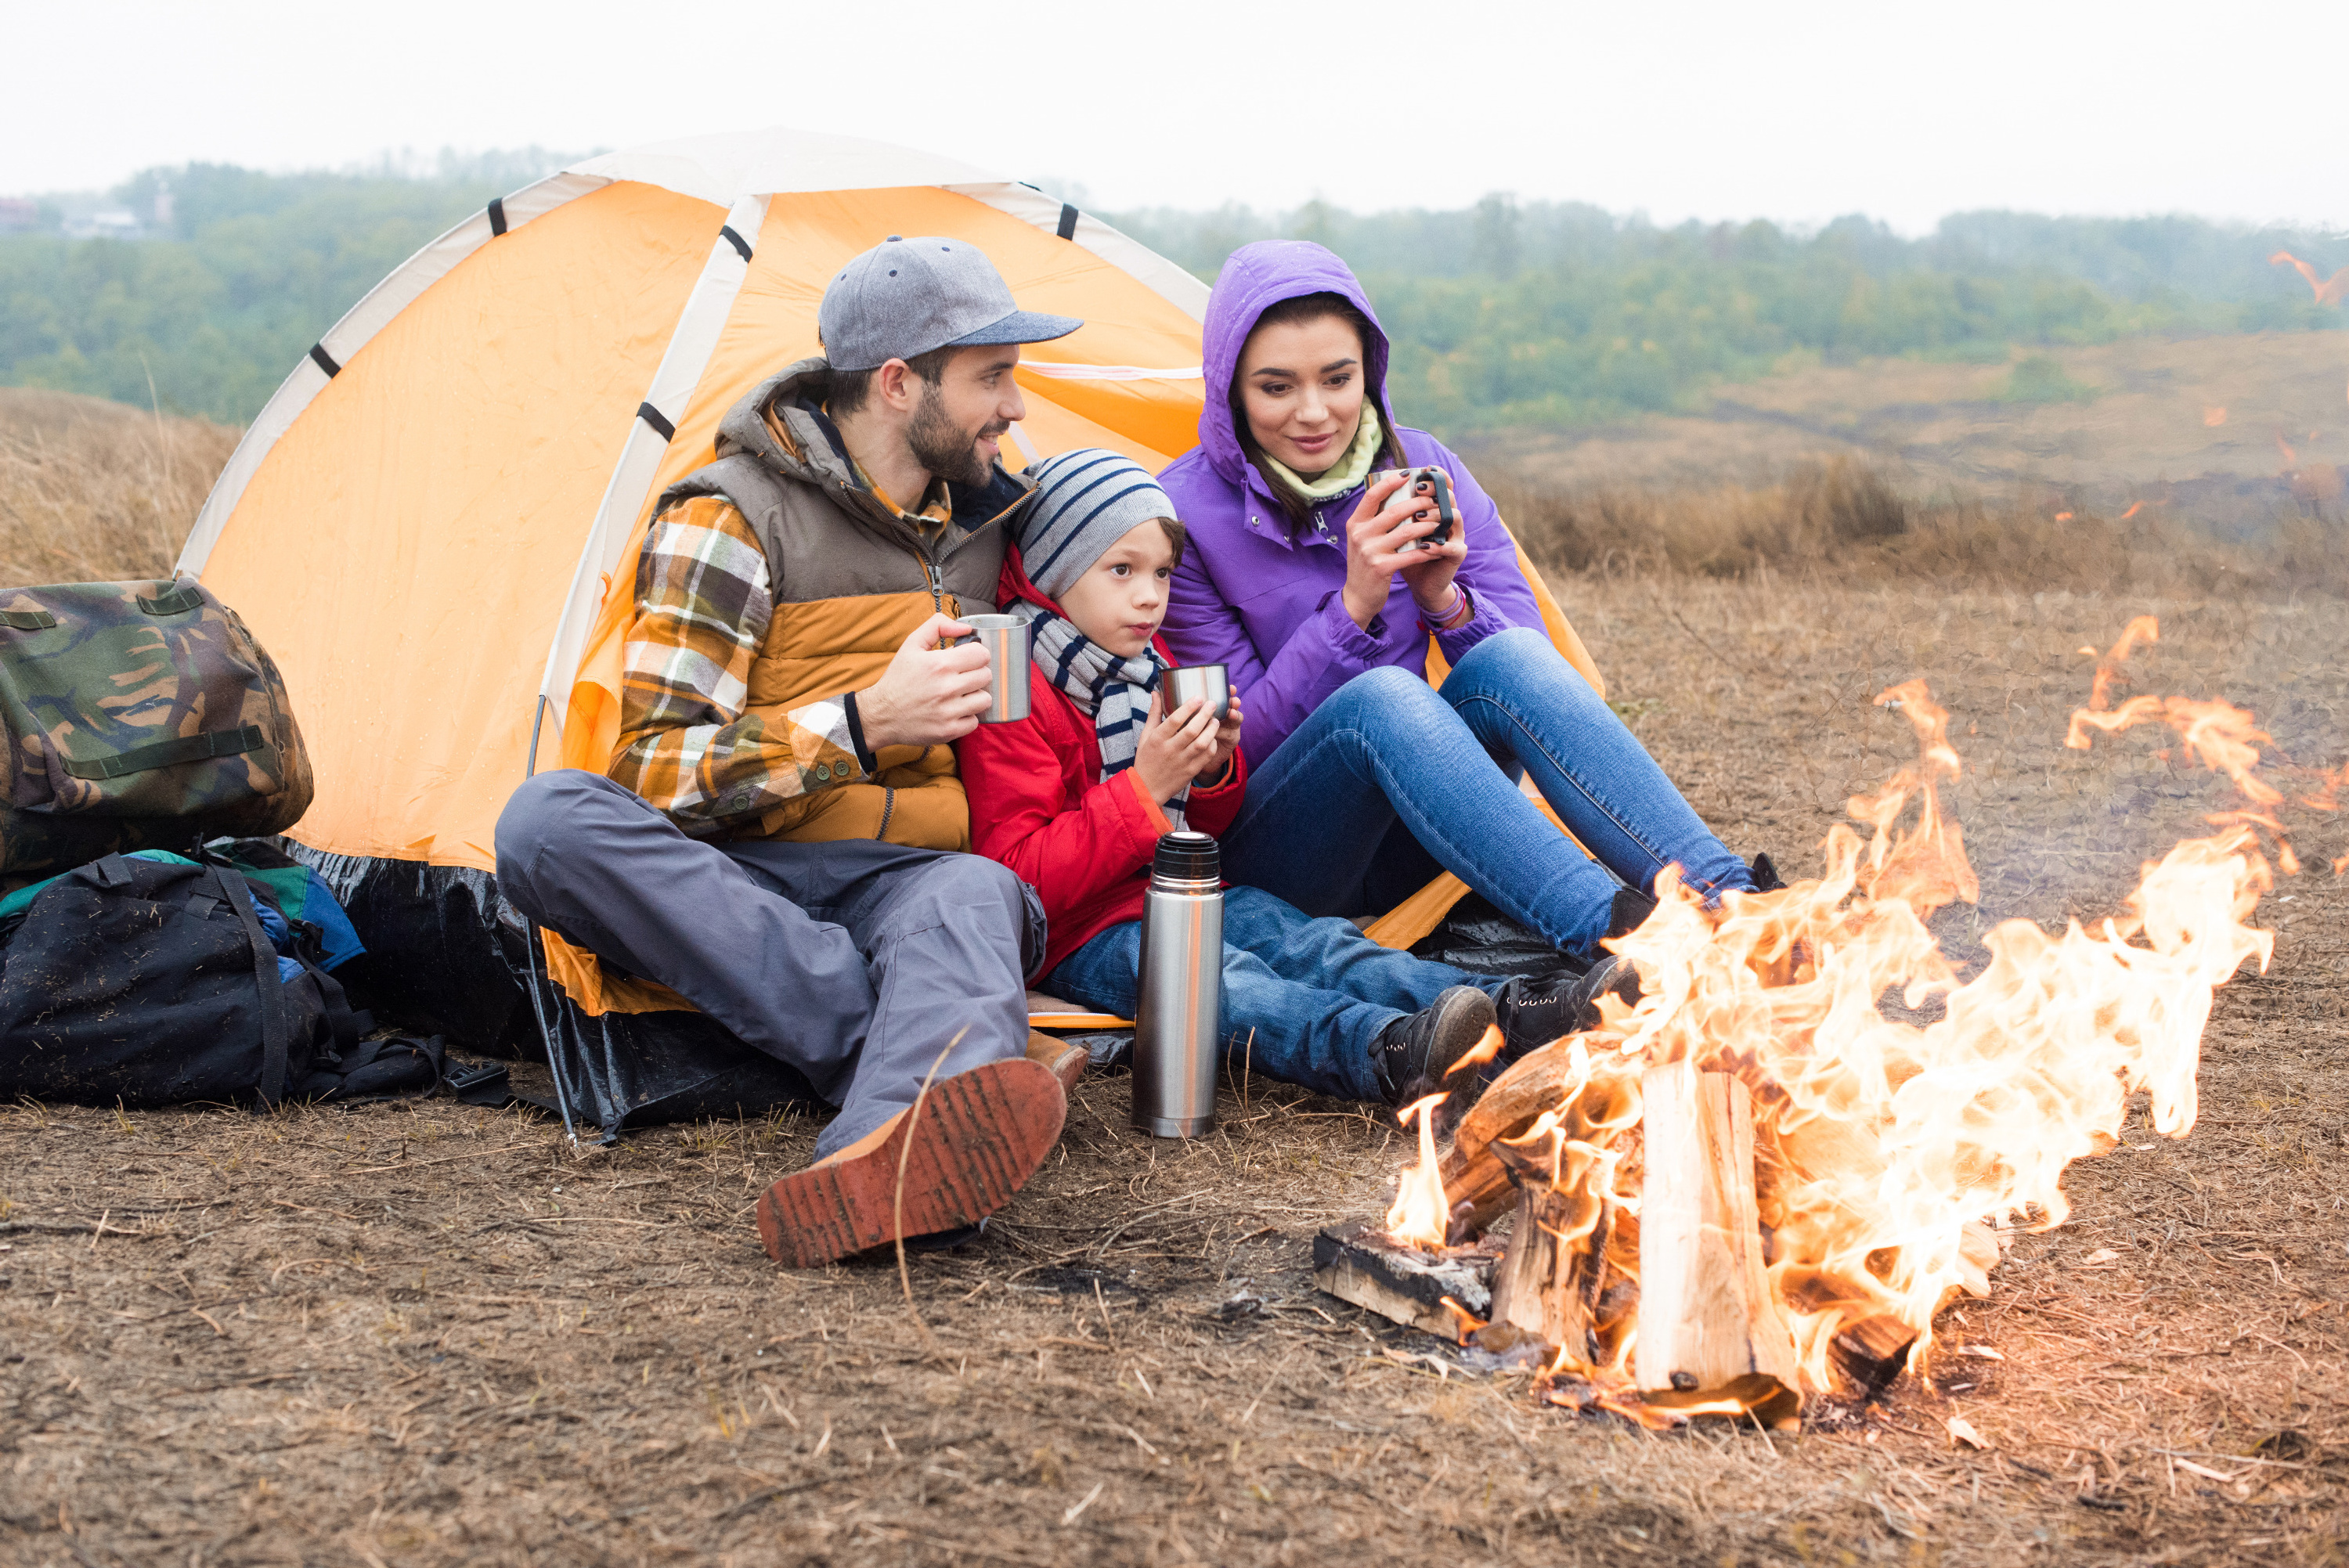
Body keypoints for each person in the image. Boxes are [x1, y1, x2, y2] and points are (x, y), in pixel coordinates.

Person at [496, 236, 1085, 1268]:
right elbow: (654, 773)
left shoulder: (1002, 519)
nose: (1016, 406)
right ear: (899, 384)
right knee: (547, 822)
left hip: (913, 882)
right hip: (745, 870)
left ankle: (880, 1159)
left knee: (974, 896)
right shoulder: (733, 514)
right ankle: (944, 1050)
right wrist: (862, 724)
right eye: (992, 377)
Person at [1156, 241, 1772, 976]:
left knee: (1502, 658)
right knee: (1381, 697)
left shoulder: (1425, 469)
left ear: (1369, 374)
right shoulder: (1181, 514)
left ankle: (1740, 913)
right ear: (1231, 391)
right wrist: (1350, 611)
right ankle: (1628, 948)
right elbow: (1227, 753)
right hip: (1285, 849)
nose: (1314, 412)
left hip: (1435, 830)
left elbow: (1535, 674)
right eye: (1276, 387)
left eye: (1338, 378)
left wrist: (1445, 602)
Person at [955, 450, 1636, 1112]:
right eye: (1122, 570)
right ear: (1051, 569)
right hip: (1084, 933)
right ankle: (1387, 1050)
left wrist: (1214, 769)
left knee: (1321, 948)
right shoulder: (1015, 693)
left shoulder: (1144, 665)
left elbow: (1205, 827)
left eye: (1162, 573)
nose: (1149, 596)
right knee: (1236, 986)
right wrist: (1145, 786)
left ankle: (1517, 1012)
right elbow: (1017, 885)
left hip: (1189, 888)